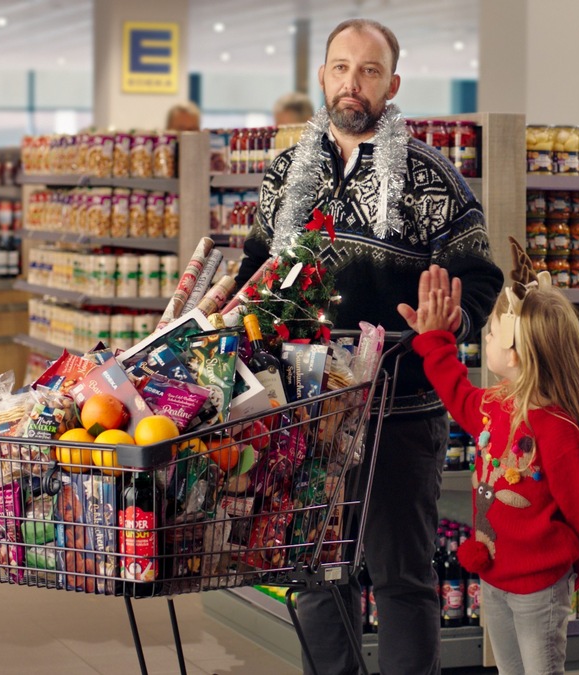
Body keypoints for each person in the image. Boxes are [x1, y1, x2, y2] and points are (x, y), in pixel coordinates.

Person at [233, 17, 503, 675]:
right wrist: (240, 319)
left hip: (400, 412)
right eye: (341, 67)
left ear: (393, 84)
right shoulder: (284, 174)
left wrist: (446, 325)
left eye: (370, 70)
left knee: (401, 577)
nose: (353, 83)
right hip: (306, 413)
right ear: (323, 77)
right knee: (314, 573)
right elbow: (254, 270)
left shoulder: (430, 174)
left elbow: (482, 276)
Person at [398, 253, 579, 675]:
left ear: (512, 353)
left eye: (491, 333)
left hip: (541, 588)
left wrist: (572, 573)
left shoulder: (561, 431)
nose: (486, 340)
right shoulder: (494, 406)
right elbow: (456, 391)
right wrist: (435, 338)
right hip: (492, 577)